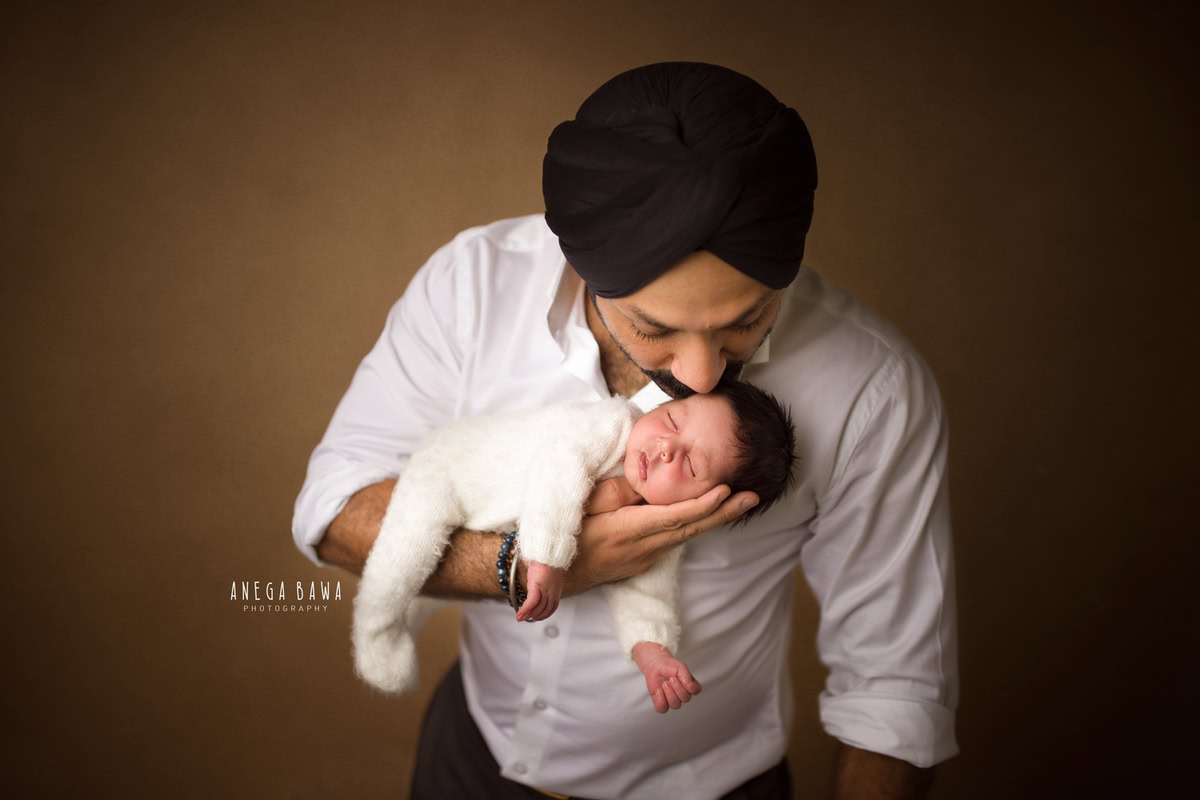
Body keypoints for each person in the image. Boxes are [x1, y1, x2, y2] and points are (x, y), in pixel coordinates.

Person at [294, 62, 958, 799]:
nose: (704, 375)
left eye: (748, 319)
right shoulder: (472, 287)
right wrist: (524, 564)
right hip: (474, 757)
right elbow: (331, 509)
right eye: (655, 327)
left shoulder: (870, 386)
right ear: (581, 267)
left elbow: (896, 685)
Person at [351, 383, 797, 716]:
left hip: (486, 516)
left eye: (691, 464)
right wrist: (544, 559)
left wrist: (652, 649)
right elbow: (558, 470)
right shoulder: (612, 425)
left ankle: (407, 615)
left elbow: (647, 589)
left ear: (706, 503)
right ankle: (376, 625)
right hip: (448, 468)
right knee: (408, 551)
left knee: (433, 580)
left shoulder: (660, 525)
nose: (664, 448)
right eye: (673, 421)